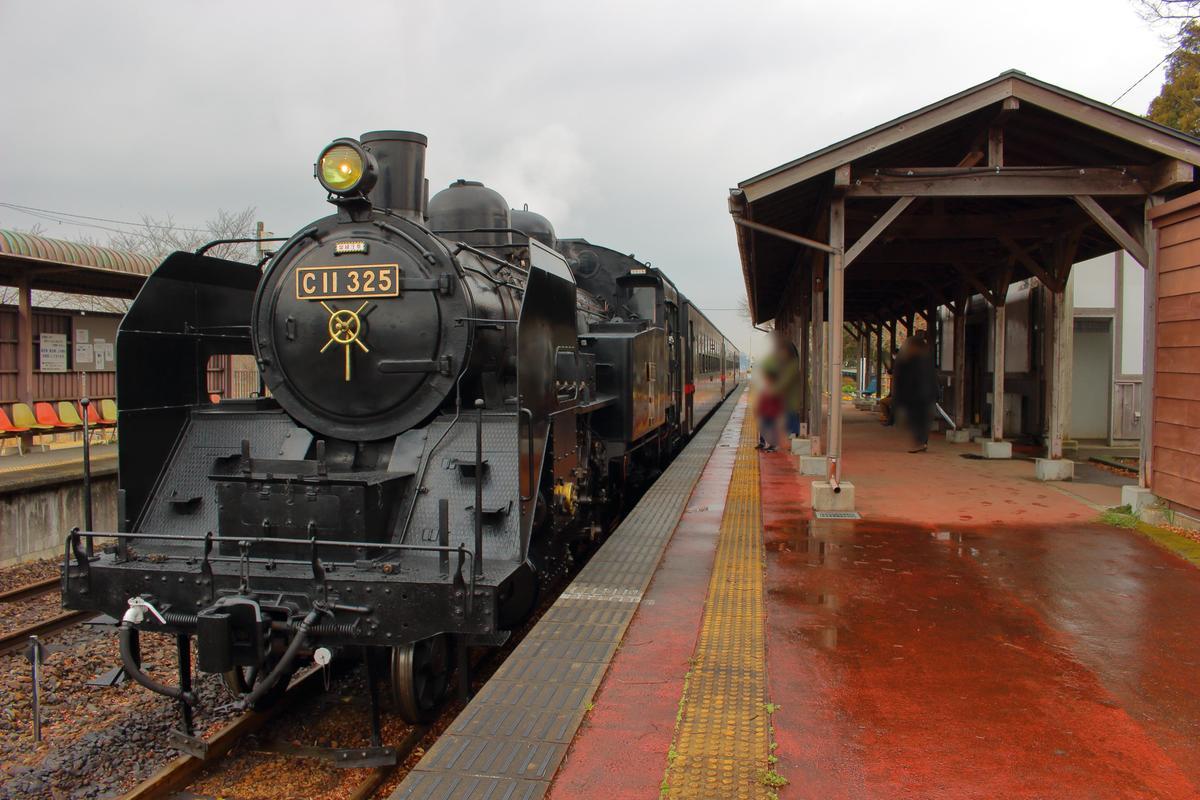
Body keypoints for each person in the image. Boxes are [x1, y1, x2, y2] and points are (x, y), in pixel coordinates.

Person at [893, 333, 938, 453]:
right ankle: (921, 442)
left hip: (918, 396)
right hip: (921, 396)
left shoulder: (913, 361)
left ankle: (921, 442)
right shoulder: (923, 360)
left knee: (919, 420)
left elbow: (905, 380)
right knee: (919, 420)